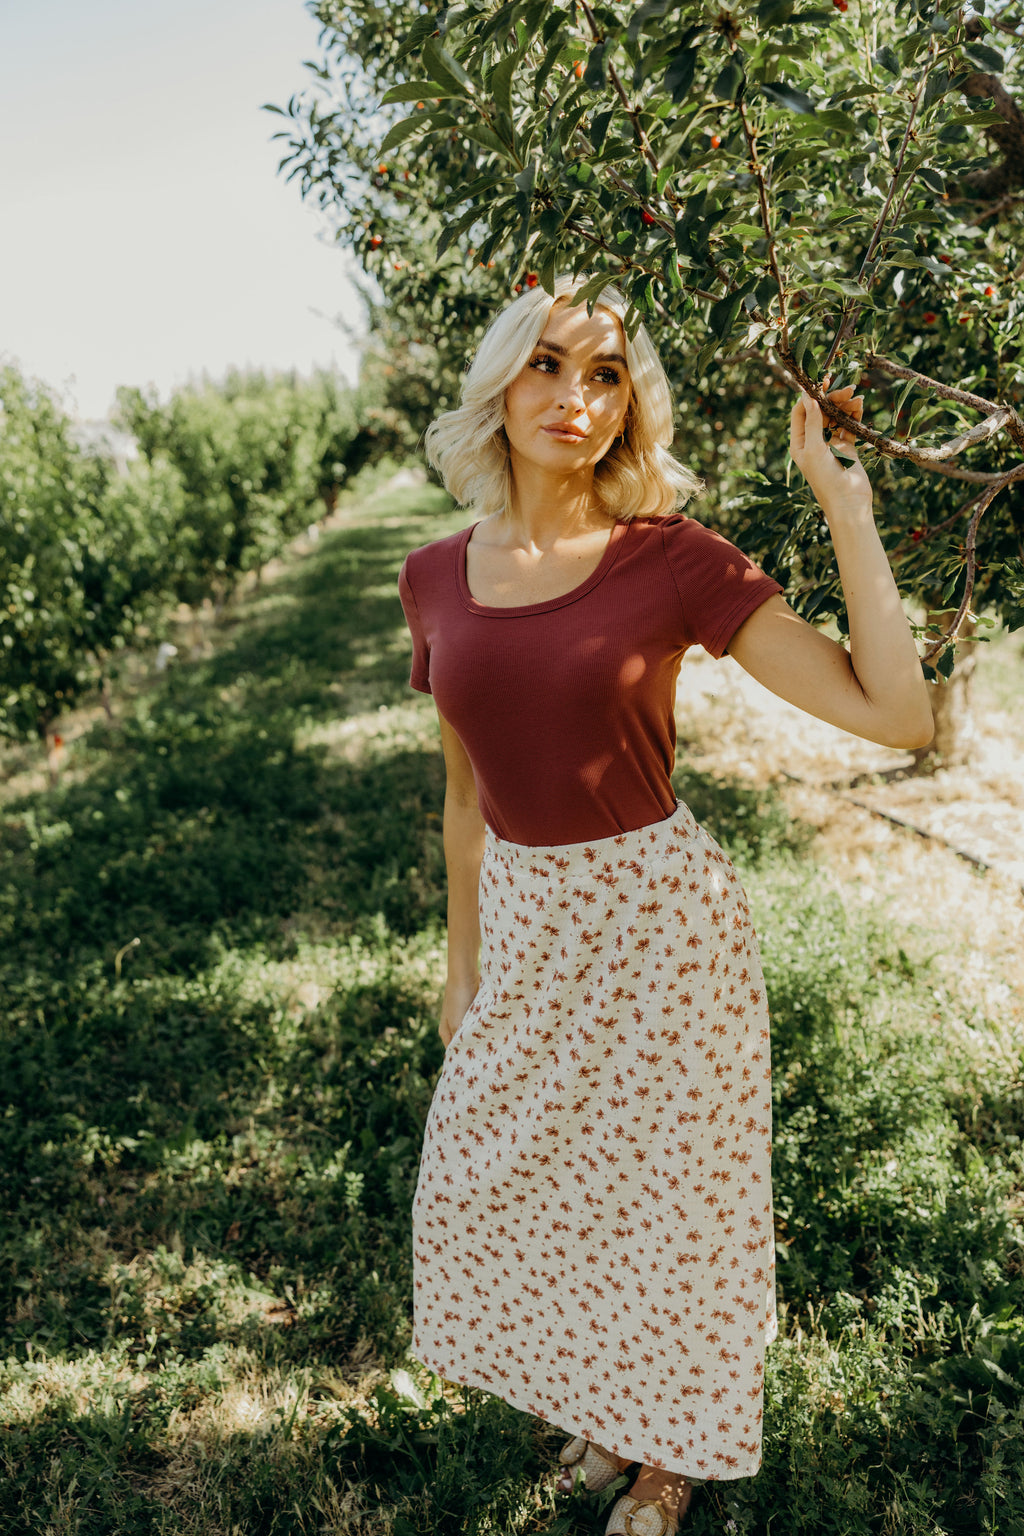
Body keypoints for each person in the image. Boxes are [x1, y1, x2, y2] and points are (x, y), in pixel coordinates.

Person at [397, 274, 932, 1535]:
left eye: (605, 374)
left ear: (632, 406)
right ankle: (601, 1391)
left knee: (674, 1206)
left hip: (659, 923)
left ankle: (665, 1456)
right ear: (498, 383)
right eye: (546, 365)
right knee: (494, 1177)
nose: (574, 398)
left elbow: (894, 715)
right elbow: (465, 802)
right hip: (527, 920)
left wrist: (843, 507)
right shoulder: (431, 576)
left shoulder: (672, 563)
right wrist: (459, 963)